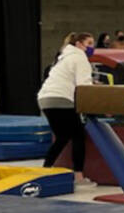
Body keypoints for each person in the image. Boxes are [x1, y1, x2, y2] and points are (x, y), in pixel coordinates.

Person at [38, 32, 94, 181]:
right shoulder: (80, 58)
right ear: (78, 45)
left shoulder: (62, 57)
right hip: (60, 99)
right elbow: (84, 86)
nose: (92, 48)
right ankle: (78, 176)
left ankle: (45, 169)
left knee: (62, 137)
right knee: (78, 136)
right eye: (89, 44)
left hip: (45, 98)